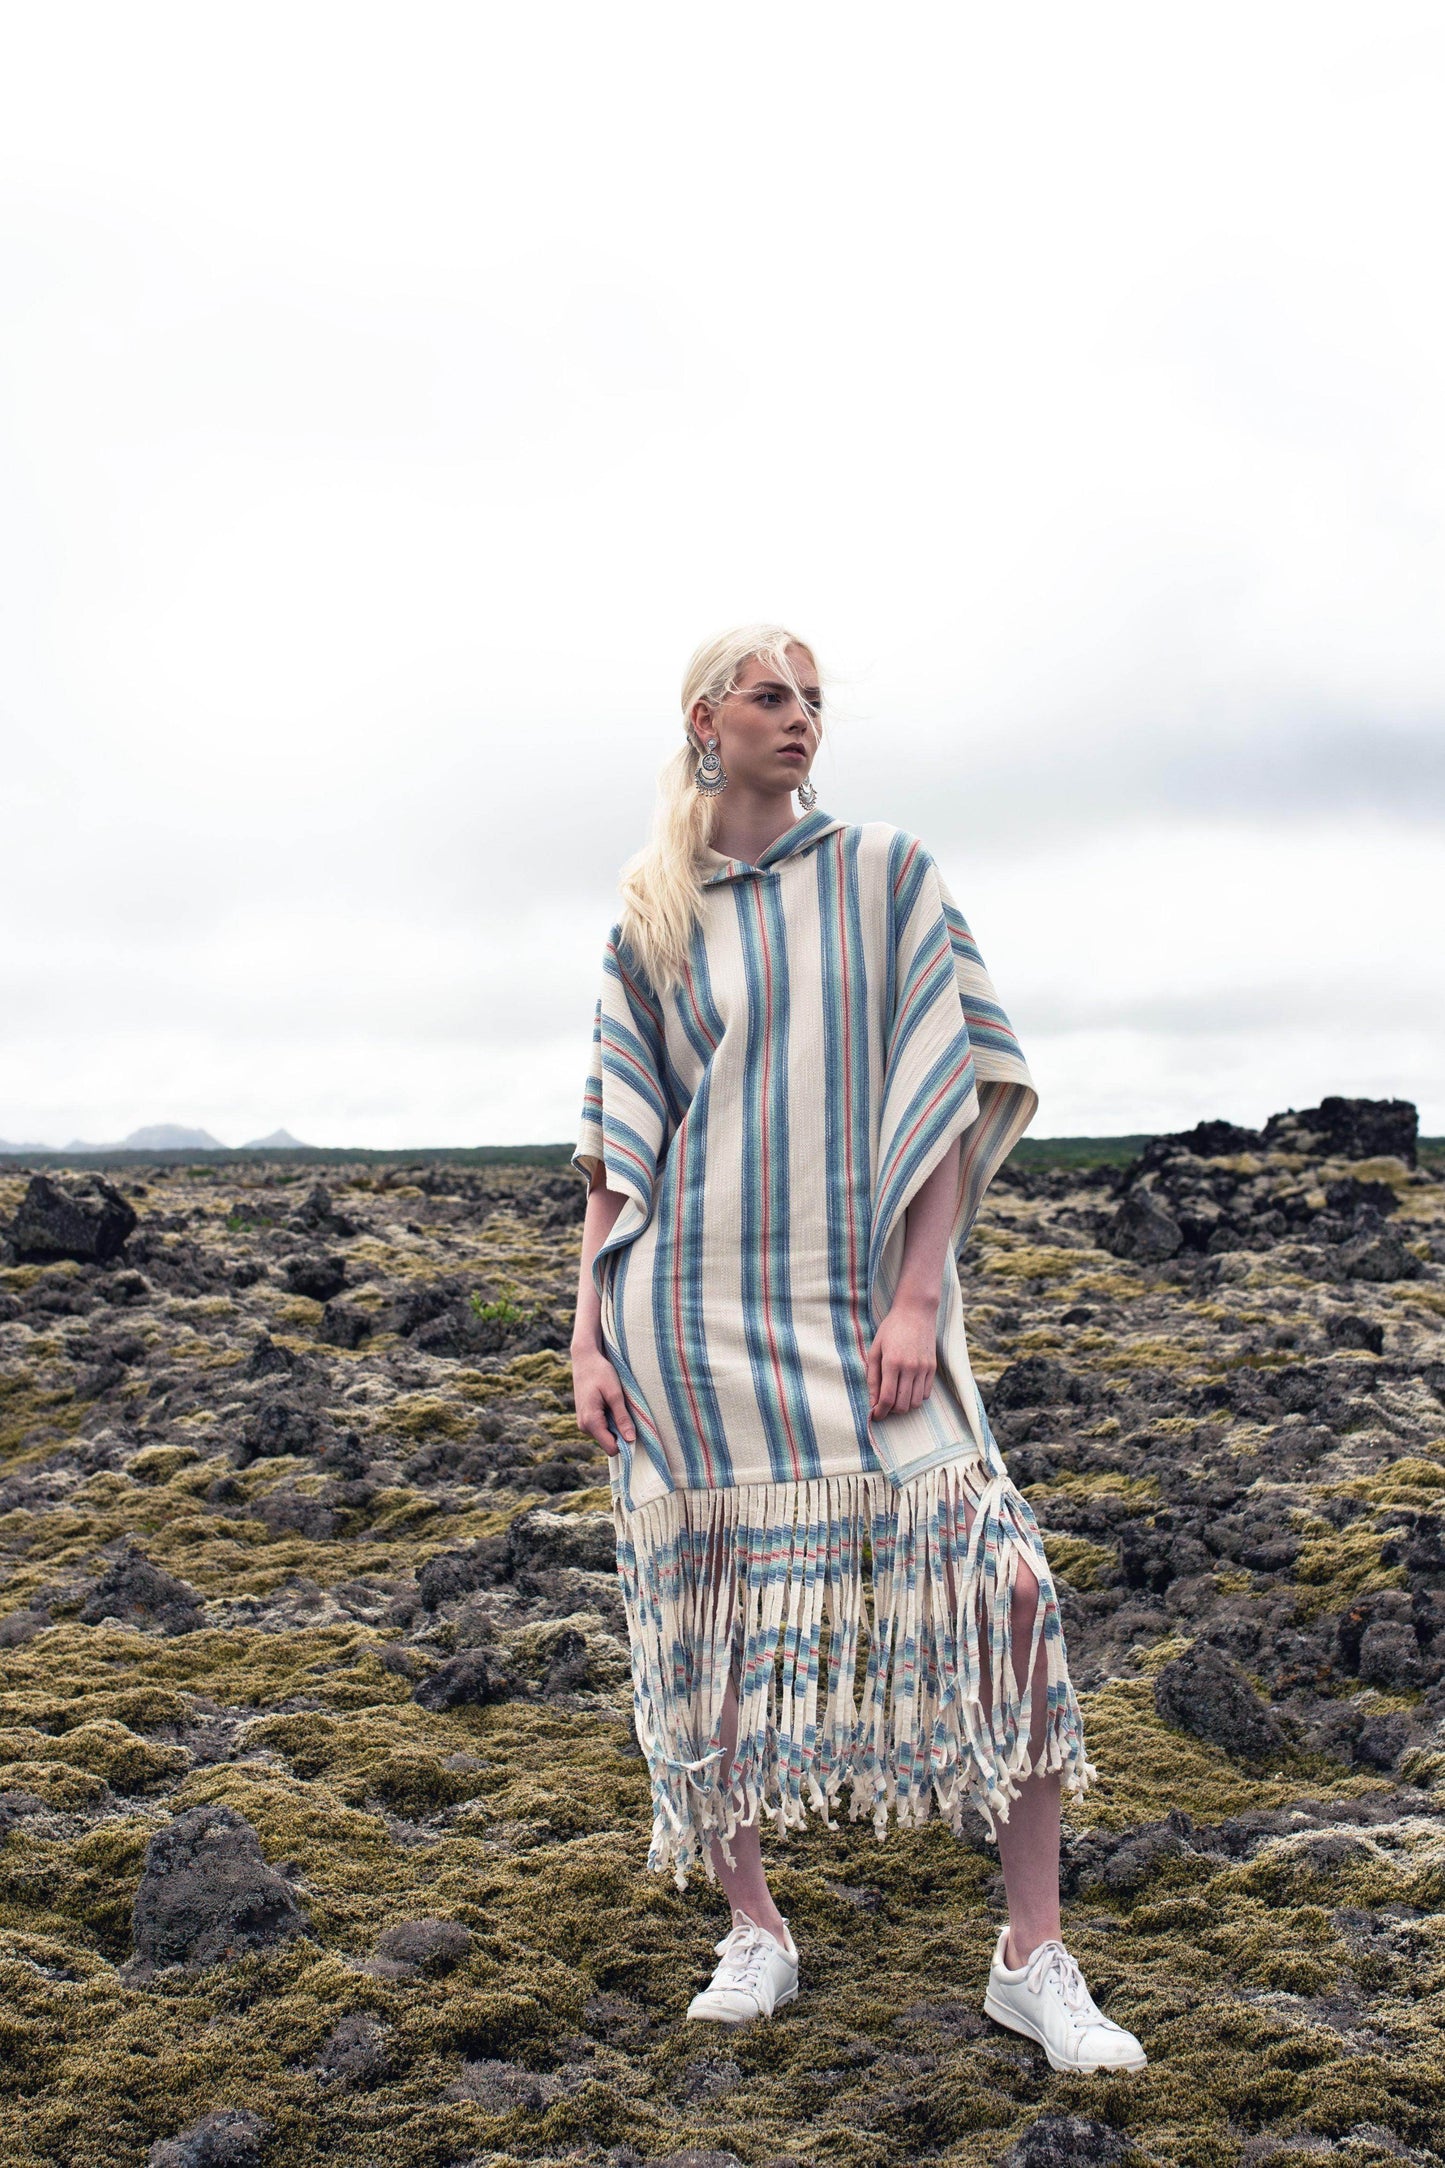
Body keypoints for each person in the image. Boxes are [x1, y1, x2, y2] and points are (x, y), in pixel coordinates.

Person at [569, 626, 1145, 2075]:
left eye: (815, 701)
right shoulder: (651, 912)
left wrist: (917, 1297)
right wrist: (586, 1331)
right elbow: (617, 1151)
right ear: (705, 720)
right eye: (771, 697)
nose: (801, 720)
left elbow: (943, 1090)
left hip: (864, 1311)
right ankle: (753, 1926)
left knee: (1008, 1593)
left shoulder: (888, 875)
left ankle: (1032, 1956)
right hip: (689, 1317)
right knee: (708, 1626)